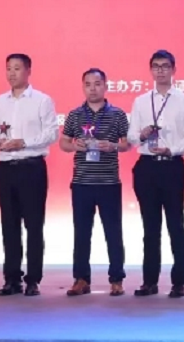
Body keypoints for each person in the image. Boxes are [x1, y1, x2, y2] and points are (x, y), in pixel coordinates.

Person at [126, 50, 184, 298]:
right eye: (156, 66)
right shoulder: (140, 101)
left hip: (172, 165)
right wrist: (142, 134)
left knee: (175, 224)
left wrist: (172, 149)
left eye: (165, 66)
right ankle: (149, 281)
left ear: (173, 70)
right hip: (146, 167)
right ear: (151, 70)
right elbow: (131, 136)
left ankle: (179, 281)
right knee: (150, 227)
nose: (160, 70)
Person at [0, 53, 58, 297]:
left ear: (28, 70)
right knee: (9, 225)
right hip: (5, 168)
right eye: (8, 68)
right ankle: (11, 279)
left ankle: (33, 279)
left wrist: (24, 142)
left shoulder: (42, 100)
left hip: (31, 168)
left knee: (34, 225)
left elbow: (51, 133)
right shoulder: (0, 102)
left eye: (17, 68)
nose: (11, 73)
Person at [58, 68, 131, 297]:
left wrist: (113, 146)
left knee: (113, 232)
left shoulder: (117, 114)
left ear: (105, 86)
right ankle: (81, 279)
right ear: (83, 87)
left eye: (97, 84)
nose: (93, 88)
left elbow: (127, 143)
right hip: (82, 182)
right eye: (88, 84)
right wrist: (75, 146)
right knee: (81, 233)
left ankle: (116, 279)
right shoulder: (75, 114)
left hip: (109, 183)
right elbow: (63, 143)